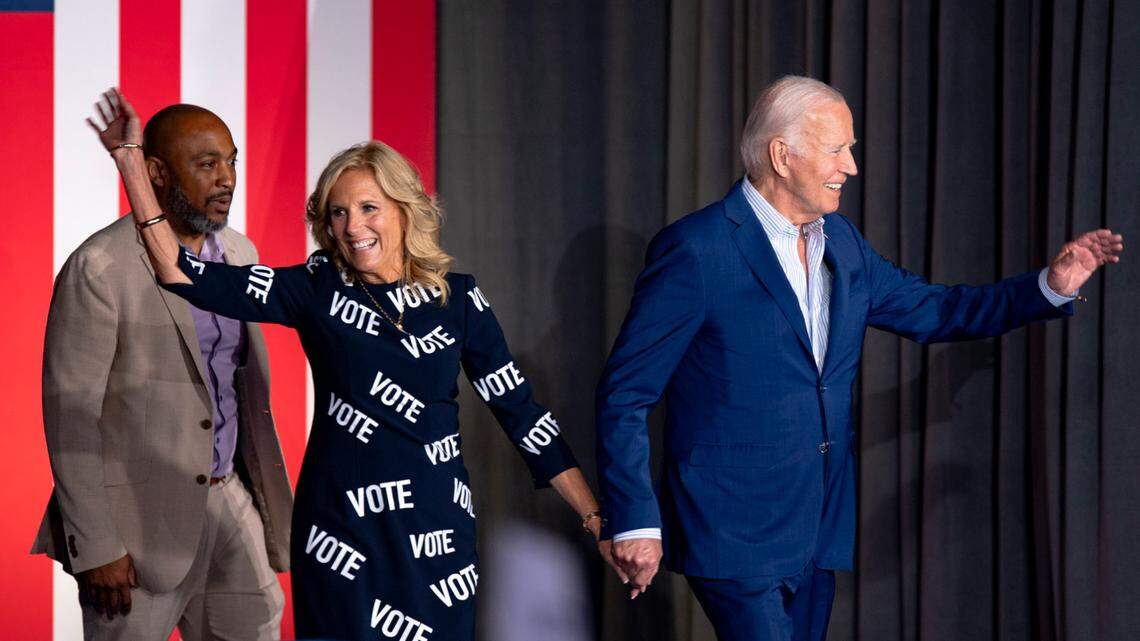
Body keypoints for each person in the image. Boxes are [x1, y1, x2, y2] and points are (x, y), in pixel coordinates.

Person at [595, 75, 1124, 640]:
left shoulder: (842, 242)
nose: (851, 167)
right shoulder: (697, 250)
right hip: (733, 528)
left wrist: (1049, 285)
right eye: (837, 149)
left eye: (851, 150)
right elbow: (626, 394)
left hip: (820, 527)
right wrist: (635, 520)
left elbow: (936, 310)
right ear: (782, 154)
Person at [87, 88, 613, 640]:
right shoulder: (315, 289)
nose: (353, 226)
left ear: (404, 211)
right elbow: (179, 271)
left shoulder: (458, 300)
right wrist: (130, 161)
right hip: (342, 539)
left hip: (437, 539)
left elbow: (521, 413)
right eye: (338, 212)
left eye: (368, 208)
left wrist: (594, 515)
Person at [33, 98, 292, 640]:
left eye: (231, 161)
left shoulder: (242, 254)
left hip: (229, 500)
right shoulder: (101, 267)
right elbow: (71, 416)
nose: (227, 179)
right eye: (206, 164)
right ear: (156, 171)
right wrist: (98, 545)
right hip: (137, 525)